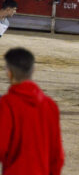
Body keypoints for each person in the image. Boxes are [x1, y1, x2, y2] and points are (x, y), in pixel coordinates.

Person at [0, 47, 64, 175]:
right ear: (33, 70)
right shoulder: (50, 105)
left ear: (9, 73)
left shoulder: (7, 104)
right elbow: (57, 155)